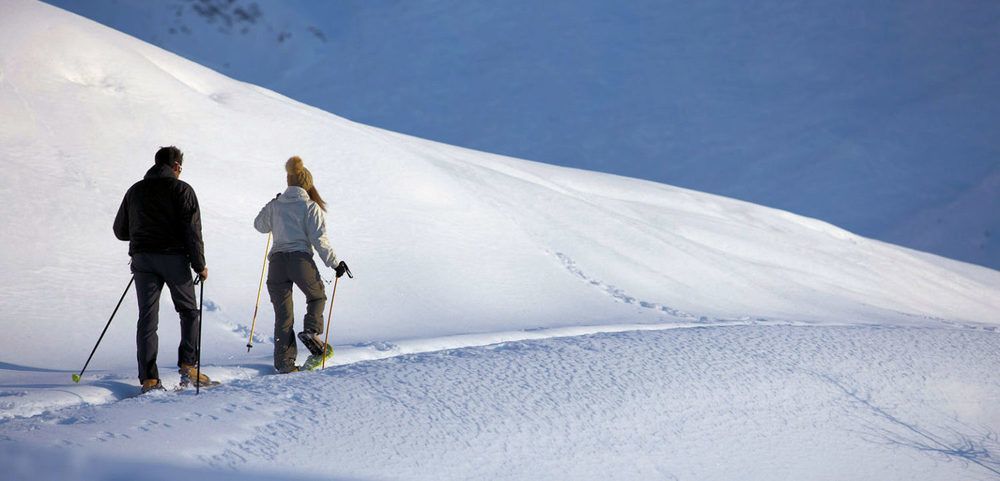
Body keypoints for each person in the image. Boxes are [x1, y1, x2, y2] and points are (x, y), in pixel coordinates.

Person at [113, 146, 211, 393]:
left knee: (147, 317)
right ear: (176, 166)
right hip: (173, 258)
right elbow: (192, 230)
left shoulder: (135, 191)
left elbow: (120, 231)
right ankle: (188, 367)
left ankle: (149, 379)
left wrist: (143, 233)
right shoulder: (182, 189)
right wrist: (200, 265)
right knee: (188, 311)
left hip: (143, 259)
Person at [254, 156, 347, 373]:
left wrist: (272, 204)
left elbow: (259, 226)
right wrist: (335, 264)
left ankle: (284, 364)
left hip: (276, 263)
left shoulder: (276, 204)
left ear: (288, 181)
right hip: (300, 260)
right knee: (317, 296)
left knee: (283, 316)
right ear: (307, 184)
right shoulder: (310, 206)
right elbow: (319, 239)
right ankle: (311, 332)